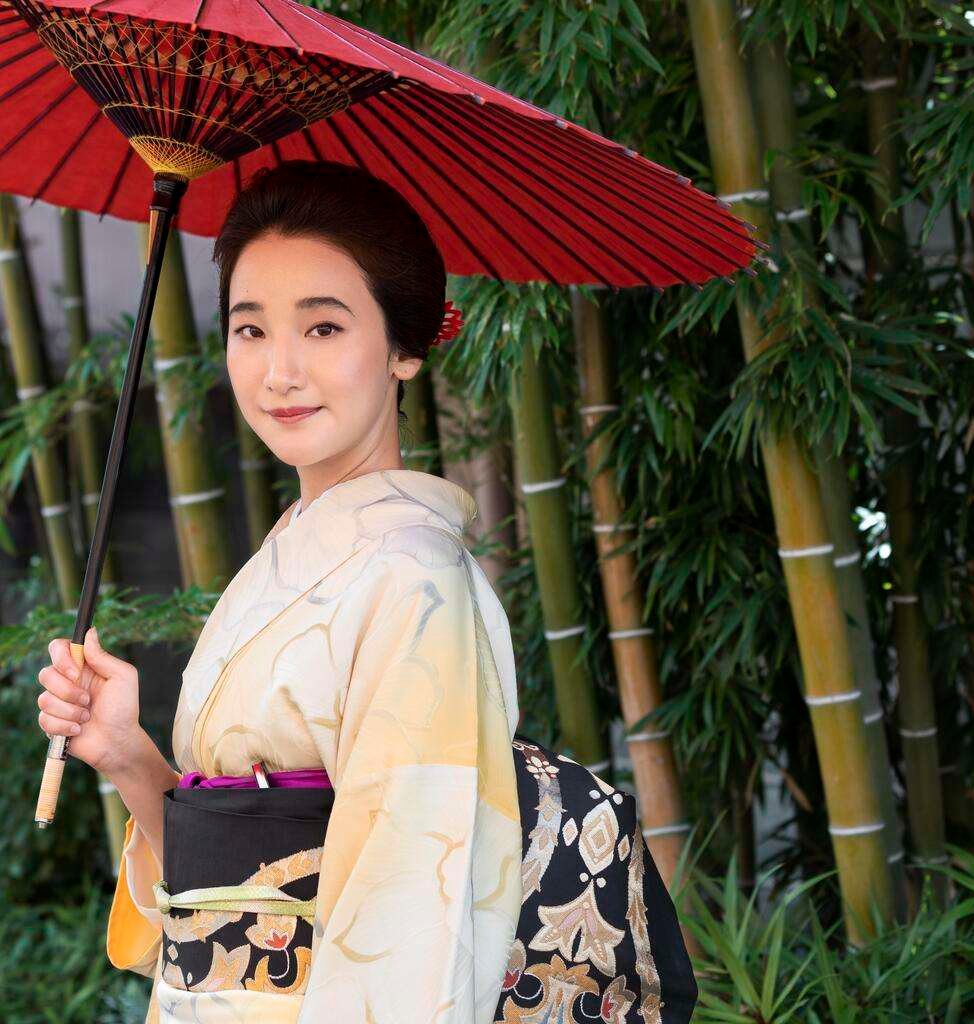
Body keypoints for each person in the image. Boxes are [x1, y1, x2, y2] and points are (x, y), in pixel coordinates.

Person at [37, 160, 695, 1023]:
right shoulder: (294, 552)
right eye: (249, 329)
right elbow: (223, 895)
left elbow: (408, 922)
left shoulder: (415, 580)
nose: (277, 373)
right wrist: (127, 754)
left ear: (404, 347)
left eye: (321, 329)